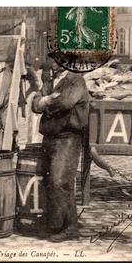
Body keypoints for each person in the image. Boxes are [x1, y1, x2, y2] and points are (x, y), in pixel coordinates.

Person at [32, 56, 89, 242]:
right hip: (51, 136)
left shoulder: (76, 80)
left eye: (58, 61)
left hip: (68, 138)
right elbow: (35, 104)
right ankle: (57, 225)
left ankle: (70, 227)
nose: (53, 65)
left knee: (59, 181)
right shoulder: (50, 80)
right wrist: (48, 99)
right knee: (53, 181)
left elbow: (66, 102)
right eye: (53, 62)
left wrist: (45, 102)